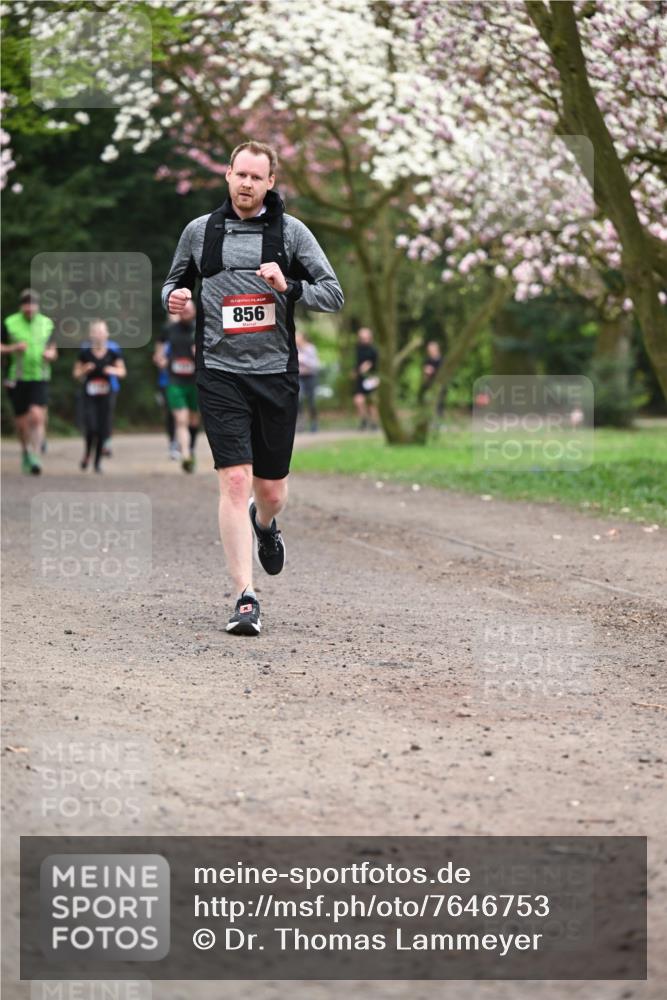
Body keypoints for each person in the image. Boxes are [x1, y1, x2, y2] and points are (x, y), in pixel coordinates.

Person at [162, 140, 344, 635]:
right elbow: (173, 282)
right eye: (238, 174)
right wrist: (175, 296)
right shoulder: (201, 232)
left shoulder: (291, 234)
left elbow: (334, 293)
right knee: (234, 480)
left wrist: (289, 285)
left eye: (255, 177)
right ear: (227, 176)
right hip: (219, 373)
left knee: (271, 491)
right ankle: (245, 596)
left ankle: (264, 525)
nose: (245, 183)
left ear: (269, 183)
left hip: (275, 376)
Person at [1, 288, 58, 474]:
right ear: (21, 306)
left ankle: (35, 456)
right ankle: (25, 450)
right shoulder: (10, 323)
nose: (30, 309)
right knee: (22, 422)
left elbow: (53, 350)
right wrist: (13, 348)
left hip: (40, 377)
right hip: (16, 378)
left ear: (38, 306)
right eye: (26, 305)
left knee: (37, 415)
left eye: (33, 305)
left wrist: (50, 355)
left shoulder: (47, 324)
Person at [73, 319, 126, 473]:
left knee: (102, 429)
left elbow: (122, 372)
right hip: (88, 395)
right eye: (96, 332)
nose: (99, 335)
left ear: (107, 334)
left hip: (106, 395)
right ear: (91, 334)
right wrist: (85, 370)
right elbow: (76, 373)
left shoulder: (113, 353)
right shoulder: (85, 352)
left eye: (102, 332)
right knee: (91, 427)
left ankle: (97, 463)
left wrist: (112, 371)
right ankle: (87, 453)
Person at [154, 299, 200, 472]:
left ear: (194, 311)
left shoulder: (201, 328)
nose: (185, 312)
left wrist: (201, 352)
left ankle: (191, 447)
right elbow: (159, 345)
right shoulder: (169, 329)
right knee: (181, 420)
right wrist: (160, 358)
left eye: (189, 310)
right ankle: (186, 455)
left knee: (194, 420)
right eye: (183, 310)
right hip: (175, 381)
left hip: (195, 381)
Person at [353, 326, 379, 430]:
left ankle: (374, 423)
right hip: (360, 379)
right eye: (361, 337)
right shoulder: (358, 349)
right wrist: (355, 371)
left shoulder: (373, 350)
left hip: (371, 379)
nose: (363, 340)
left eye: (365, 337)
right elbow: (358, 364)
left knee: (372, 403)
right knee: (358, 401)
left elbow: (376, 365)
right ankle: (364, 420)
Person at [295, 330, 320, 432]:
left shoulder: (310, 348)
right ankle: (301, 423)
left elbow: (315, 364)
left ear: (303, 339)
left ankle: (314, 423)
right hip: (299, 377)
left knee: (311, 401)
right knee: (298, 399)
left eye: (298, 338)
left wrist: (302, 359)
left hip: (310, 376)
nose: (296, 340)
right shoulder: (294, 348)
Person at [419, 339, 445, 416]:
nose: (430, 352)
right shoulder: (427, 360)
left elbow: (442, 373)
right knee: (427, 402)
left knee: (439, 403)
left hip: (439, 384)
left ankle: (440, 421)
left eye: (432, 350)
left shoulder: (442, 361)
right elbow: (424, 373)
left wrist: (433, 371)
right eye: (429, 350)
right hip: (429, 384)